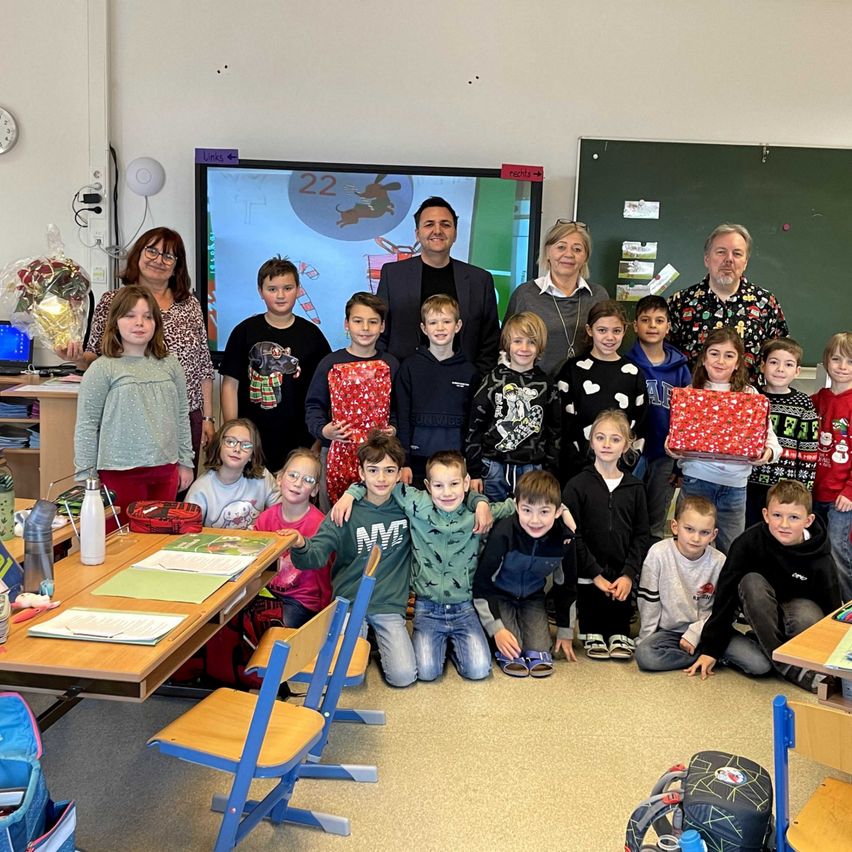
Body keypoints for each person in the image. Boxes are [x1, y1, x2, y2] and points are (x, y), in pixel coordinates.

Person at [331, 450, 508, 682]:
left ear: (465, 483)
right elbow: (381, 483)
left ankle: (453, 649)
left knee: (478, 671)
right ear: (427, 485)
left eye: (454, 484)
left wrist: (480, 501)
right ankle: (441, 647)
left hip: (464, 608)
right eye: (439, 485)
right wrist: (350, 493)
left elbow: (513, 507)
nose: (447, 492)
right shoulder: (417, 503)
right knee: (425, 673)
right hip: (427, 608)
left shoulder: (475, 514)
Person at [67, 228, 215, 470]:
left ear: (177, 266)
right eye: (152, 250)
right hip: (128, 415)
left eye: (168, 256)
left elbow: (203, 365)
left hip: (184, 416)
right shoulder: (112, 301)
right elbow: (96, 356)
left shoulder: (189, 304)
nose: (158, 260)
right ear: (138, 254)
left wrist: (208, 418)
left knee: (178, 492)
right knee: (132, 494)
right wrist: (74, 358)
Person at [285, 432, 416, 688]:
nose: (381, 478)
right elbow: (314, 556)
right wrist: (300, 544)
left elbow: (448, 505)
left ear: (399, 474)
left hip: (388, 605)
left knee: (403, 677)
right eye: (373, 470)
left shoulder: (410, 507)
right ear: (361, 472)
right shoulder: (344, 510)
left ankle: (376, 641)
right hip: (349, 603)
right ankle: (365, 640)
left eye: (389, 471)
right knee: (343, 677)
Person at [686, 480, 841, 691]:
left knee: (808, 614)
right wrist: (711, 649)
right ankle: (789, 668)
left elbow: (832, 606)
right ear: (766, 515)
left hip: (796, 615)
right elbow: (726, 595)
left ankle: (767, 644)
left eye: (794, 517)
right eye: (777, 516)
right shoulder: (748, 543)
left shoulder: (820, 556)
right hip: (760, 608)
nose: (784, 524)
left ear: (808, 520)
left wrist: (837, 660)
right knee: (751, 582)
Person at [74, 285, 194, 524]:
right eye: (130, 315)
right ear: (115, 321)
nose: (139, 323)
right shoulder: (103, 368)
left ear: (156, 323)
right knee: (119, 544)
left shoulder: (170, 365)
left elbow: (182, 415)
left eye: (147, 316)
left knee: (157, 544)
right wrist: (86, 477)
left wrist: (185, 462)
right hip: (118, 473)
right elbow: (87, 425)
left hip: (165, 470)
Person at [666, 327, 781, 554]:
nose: (720, 361)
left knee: (733, 550)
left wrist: (764, 455)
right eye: (714, 353)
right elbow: (673, 440)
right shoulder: (691, 393)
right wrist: (673, 448)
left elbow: (773, 445)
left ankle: (726, 590)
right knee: (688, 548)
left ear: (738, 363)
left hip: (735, 487)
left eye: (729, 355)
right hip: (697, 481)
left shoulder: (751, 396)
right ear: (704, 359)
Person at [220, 255, 331, 474]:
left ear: (298, 289)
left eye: (287, 288)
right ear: (260, 291)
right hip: (252, 442)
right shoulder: (244, 332)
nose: (280, 295)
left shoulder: (312, 336)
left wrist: (318, 441)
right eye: (272, 289)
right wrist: (232, 437)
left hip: (300, 441)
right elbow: (229, 385)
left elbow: (326, 391)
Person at [635, 496, 763, 672]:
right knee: (645, 656)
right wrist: (646, 637)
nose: (696, 538)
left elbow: (725, 609)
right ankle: (708, 657)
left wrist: (697, 633)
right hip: (670, 633)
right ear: (675, 527)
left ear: (713, 535)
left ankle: (708, 654)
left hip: (710, 629)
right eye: (689, 529)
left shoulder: (719, 561)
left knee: (759, 665)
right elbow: (648, 600)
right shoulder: (658, 554)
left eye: (704, 532)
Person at [562, 410, 650, 661]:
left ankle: (617, 631)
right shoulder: (577, 485)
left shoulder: (635, 487)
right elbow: (572, 535)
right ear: (591, 442)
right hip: (588, 575)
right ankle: (591, 629)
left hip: (621, 576)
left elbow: (641, 535)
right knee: (592, 599)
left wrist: (629, 574)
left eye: (615, 439)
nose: (607, 444)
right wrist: (595, 574)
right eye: (600, 438)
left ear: (626, 445)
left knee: (618, 610)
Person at [377, 196, 500, 374]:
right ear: (417, 234)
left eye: (445, 224)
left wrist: (476, 381)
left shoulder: (480, 280)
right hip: (404, 383)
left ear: (455, 233)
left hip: (464, 386)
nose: (437, 230)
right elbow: (381, 332)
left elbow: (490, 340)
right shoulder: (393, 274)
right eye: (429, 224)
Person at [473, 470, 577, 678]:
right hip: (499, 595)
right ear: (516, 506)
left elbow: (566, 586)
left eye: (544, 512)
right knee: (513, 649)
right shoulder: (503, 533)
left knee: (538, 649)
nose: (535, 520)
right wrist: (496, 629)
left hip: (532, 598)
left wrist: (566, 631)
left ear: (558, 512)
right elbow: (482, 584)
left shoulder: (564, 539)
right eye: (527, 510)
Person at [304, 292, 398, 505]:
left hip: (380, 456)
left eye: (373, 322)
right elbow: (314, 405)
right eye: (358, 321)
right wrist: (323, 430)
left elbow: (399, 408)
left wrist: (394, 427)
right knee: (336, 513)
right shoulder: (330, 363)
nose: (365, 328)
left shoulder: (391, 364)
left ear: (382, 326)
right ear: (347, 324)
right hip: (337, 452)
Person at [667, 223, 788, 379]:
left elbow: (781, 354)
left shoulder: (766, 303)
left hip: (749, 399)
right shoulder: (680, 303)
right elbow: (663, 357)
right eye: (721, 252)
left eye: (737, 254)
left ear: (745, 262)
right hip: (693, 399)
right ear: (706, 259)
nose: (729, 259)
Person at [465, 312, 560, 501]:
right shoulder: (491, 380)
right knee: (492, 519)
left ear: (540, 346)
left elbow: (555, 432)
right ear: (507, 344)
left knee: (528, 517)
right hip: (493, 466)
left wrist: (549, 472)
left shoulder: (547, 385)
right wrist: (474, 471)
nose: (524, 348)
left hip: (532, 468)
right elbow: (474, 427)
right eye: (518, 341)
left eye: (531, 342)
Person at [555, 300, 647, 481]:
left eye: (616, 331)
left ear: (624, 331)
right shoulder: (572, 370)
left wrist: (621, 464)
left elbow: (639, 424)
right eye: (602, 330)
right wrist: (583, 464)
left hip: (619, 472)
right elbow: (564, 424)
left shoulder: (633, 373)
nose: (610, 337)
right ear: (590, 331)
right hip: (577, 472)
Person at [394, 295, 478, 487]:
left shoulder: (470, 372)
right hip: (416, 464)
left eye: (446, 321)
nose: (440, 328)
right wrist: (404, 462)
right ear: (424, 328)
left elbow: (473, 426)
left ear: (457, 326)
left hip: (455, 465)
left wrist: (471, 468)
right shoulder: (409, 368)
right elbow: (403, 417)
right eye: (433, 322)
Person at [626, 295, 691, 541]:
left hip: (666, 456)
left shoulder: (681, 369)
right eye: (645, 320)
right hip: (633, 454)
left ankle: (648, 572)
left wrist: (679, 463)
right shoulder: (626, 364)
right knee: (627, 512)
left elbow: (686, 421)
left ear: (668, 326)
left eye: (659, 320)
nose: (652, 325)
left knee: (656, 518)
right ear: (635, 326)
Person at [504, 220, 608, 374]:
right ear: (547, 252)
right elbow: (505, 346)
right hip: (536, 389)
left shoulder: (598, 295)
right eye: (561, 247)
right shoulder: (525, 294)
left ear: (585, 257)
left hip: (586, 388)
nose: (569, 254)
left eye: (577, 249)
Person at [253, 449, 333, 629]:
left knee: (276, 629)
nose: (298, 483)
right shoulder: (265, 518)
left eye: (308, 480)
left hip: (301, 602)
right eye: (293, 475)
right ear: (280, 479)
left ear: (314, 490)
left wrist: (324, 617)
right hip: (267, 593)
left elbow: (325, 576)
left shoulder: (320, 525)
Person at [745, 338, 819, 528]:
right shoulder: (751, 398)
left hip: (784, 488)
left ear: (797, 371)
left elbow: (809, 451)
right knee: (750, 530)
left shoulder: (803, 403)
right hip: (749, 483)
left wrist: (804, 489)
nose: (780, 369)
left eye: (788, 364)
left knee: (779, 532)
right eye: (773, 362)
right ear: (762, 366)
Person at [812, 331, 852, 601]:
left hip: (842, 498)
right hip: (814, 494)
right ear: (826, 360)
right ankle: (824, 609)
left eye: (850, 362)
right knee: (816, 552)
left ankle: (848, 609)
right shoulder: (817, 400)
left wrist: (850, 490)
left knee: (839, 554)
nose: (842, 366)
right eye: (836, 359)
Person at [185, 419, 280, 529]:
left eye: (246, 445)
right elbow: (188, 533)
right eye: (230, 442)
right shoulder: (200, 489)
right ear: (219, 446)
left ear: (252, 455)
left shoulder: (263, 477)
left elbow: (282, 515)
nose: (237, 449)